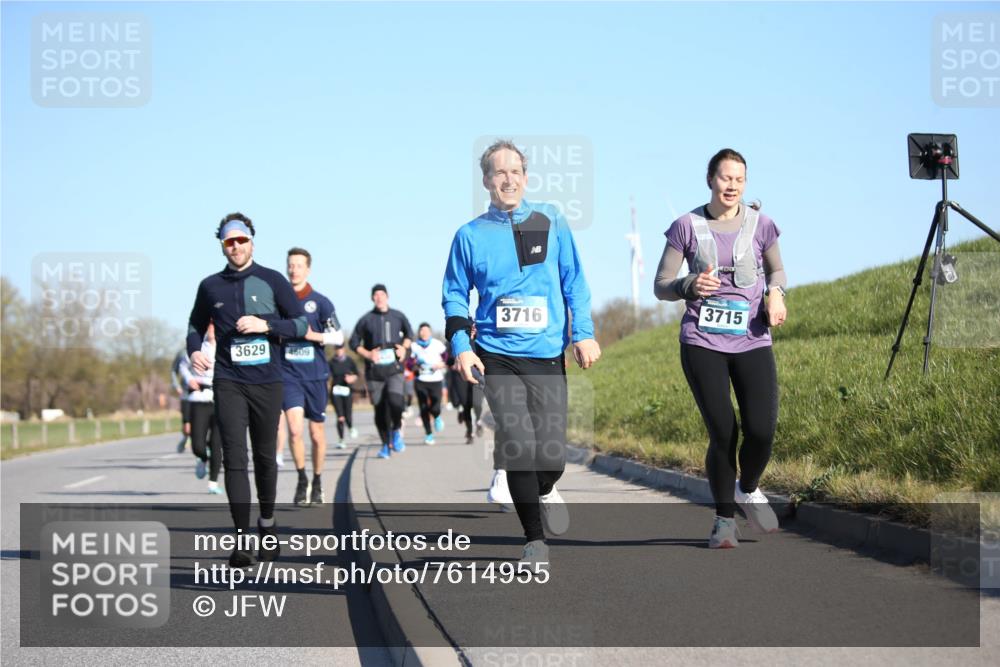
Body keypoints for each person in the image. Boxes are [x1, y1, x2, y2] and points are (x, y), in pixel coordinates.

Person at [442, 139, 601, 565]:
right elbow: (455, 297)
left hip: (546, 352)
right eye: (499, 172)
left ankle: (546, 487)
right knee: (517, 441)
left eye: (516, 171)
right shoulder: (470, 235)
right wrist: (462, 346)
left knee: (550, 456)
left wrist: (581, 333)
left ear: (526, 178)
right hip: (496, 353)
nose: (508, 179)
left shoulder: (549, 220)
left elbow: (574, 282)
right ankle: (534, 541)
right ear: (486, 181)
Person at [653, 148, 788, 549]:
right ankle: (724, 520)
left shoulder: (762, 224)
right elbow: (661, 284)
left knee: (761, 431)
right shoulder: (685, 226)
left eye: (739, 179)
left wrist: (776, 293)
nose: (732, 185)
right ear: (711, 179)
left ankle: (748, 487)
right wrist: (687, 285)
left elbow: (776, 268)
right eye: (725, 177)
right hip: (702, 341)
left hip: (752, 338)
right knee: (723, 432)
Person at [188, 212, 308, 567]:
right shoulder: (210, 286)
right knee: (234, 459)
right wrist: (195, 350)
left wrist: (265, 325)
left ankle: (267, 525)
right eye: (229, 241)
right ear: (222, 245)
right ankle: (241, 542)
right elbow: (194, 326)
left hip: (268, 381)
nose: (236, 246)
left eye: (241, 240)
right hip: (228, 380)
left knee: (265, 457)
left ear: (251, 241)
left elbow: (300, 324)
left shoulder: (271, 280)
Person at [278, 247, 344, 506]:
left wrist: (312, 336)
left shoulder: (320, 302)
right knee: (295, 431)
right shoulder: (278, 301)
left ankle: (317, 481)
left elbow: (338, 337)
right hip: (288, 375)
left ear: (308, 269)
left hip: (315, 375)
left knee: (316, 433)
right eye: (290, 265)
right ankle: (302, 478)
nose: (293, 270)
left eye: (298, 265)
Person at [349, 284, 414, 459]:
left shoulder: (398, 316)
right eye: (375, 295)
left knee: (395, 402)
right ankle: (385, 444)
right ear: (372, 298)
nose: (379, 298)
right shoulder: (366, 319)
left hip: (395, 369)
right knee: (380, 410)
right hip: (375, 372)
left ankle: (396, 432)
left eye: (382, 294)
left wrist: (403, 348)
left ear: (387, 296)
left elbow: (409, 334)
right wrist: (367, 353)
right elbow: (353, 342)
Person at [178, 321, 223, 494]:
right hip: (199, 399)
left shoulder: (225, 346)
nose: (212, 329)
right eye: (209, 326)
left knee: (217, 443)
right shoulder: (197, 348)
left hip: (220, 400)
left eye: (214, 326)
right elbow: (182, 365)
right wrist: (189, 379)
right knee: (197, 443)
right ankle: (202, 458)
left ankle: (213, 482)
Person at [410, 323, 448, 445]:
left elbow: (447, 358)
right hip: (420, 380)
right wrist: (415, 366)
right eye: (422, 331)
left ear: (430, 332)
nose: (424, 333)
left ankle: (436, 416)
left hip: (436, 379)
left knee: (435, 406)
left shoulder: (437, 344)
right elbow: (409, 363)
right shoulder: (414, 346)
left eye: (426, 330)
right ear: (419, 332)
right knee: (423, 408)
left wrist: (441, 364)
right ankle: (429, 434)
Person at [328, 345, 360, 447]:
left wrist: (352, 378)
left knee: (348, 415)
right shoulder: (331, 362)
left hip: (347, 390)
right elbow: (327, 376)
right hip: (336, 391)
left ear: (344, 350)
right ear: (335, 350)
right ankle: (341, 440)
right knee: (340, 417)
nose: (339, 351)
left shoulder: (349, 361)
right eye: (337, 349)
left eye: (340, 349)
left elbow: (356, 374)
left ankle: (350, 427)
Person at [170, 348, 192, 452]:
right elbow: (174, 370)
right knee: (187, 427)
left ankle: (204, 450)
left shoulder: (208, 347)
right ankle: (186, 437)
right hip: (186, 393)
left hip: (204, 393)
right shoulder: (182, 353)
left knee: (203, 423)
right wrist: (176, 386)